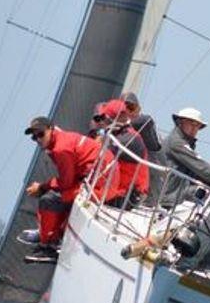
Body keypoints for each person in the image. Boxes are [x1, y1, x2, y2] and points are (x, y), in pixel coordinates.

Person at [20, 116, 117, 262]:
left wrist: (42, 186)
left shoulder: (60, 149)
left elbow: (66, 183)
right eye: (34, 137)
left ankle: (49, 246)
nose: (38, 139)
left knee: (49, 200)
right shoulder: (61, 140)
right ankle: (50, 234)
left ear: (51, 129)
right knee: (59, 196)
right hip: (101, 178)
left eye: (41, 134)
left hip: (101, 185)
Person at [91, 99, 149, 209]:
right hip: (116, 190)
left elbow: (98, 154)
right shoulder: (118, 134)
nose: (101, 122)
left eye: (104, 118)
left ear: (117, 119)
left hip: (127, 197)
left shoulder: (129, 139)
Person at [161, 106, 210, 210]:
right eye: (191, 123)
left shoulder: (182, 142)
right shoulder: (176, 143)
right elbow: (201, 168)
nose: (195, 128)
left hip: (177, 194)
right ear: (180, 122)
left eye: (197, 125)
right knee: (203, 193)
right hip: (172, 197)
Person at [120, 92, 164, 203]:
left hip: (148, 193)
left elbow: (161, 167)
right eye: (123, 108)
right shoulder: (116, 129)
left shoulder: (145, 123)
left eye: (131, 107)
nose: (128, 112)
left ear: (139, 109)